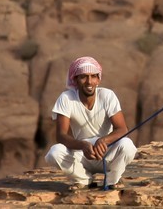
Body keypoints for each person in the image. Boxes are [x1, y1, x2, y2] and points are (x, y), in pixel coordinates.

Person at [44, 56, 137, 190]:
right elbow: (61, 136)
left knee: (127, 145)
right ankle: (84, 179)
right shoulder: (66, 98)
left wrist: (103, 140)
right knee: (54, 153)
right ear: (75, 79)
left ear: (98, 79)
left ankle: (112, 180)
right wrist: (82, 145)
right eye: (83, 77)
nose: (89, 82)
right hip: (82, 155)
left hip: (106, 153)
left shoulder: (107, 95)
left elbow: (122, 129)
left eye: (93, 76)